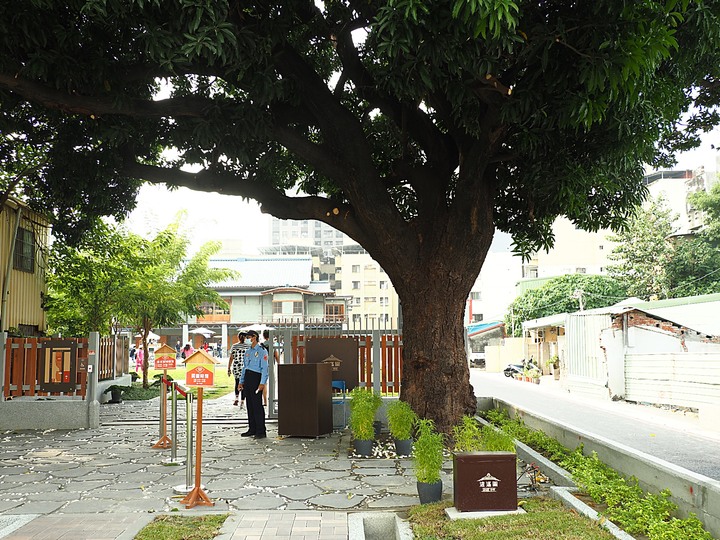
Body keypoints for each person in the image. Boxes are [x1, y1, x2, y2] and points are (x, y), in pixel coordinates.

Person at [238, 329, 268, 439]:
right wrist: (241, 381)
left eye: (248, 337)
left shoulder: (262, 351)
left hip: (256, 377)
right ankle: (252, 429)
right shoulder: (248, 352)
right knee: (249, 405)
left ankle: (261, 430)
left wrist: (262, 383)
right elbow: (244, 368)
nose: (247, 340)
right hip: (248, 378)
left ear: (254, 337)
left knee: (257, 405)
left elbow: (265, 368)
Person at [227, 332, 249, 407]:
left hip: (236, 366)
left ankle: (236, 398)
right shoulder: (248, 346)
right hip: (245, 367)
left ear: (238, 337)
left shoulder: (234, 346)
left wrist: (229, 368)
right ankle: (242, 401)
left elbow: (231, 358)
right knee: (244, 384)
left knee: (237, 382)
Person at [261, 329, 280, 407]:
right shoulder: (273, 344)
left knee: (264, 383)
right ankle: (272, 398)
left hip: (263, 366)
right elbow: (276, 356)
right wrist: (279, 363)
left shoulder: (261, 345)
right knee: (272, 382)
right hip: (271, 365)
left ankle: (265, 401)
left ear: (263, 336)